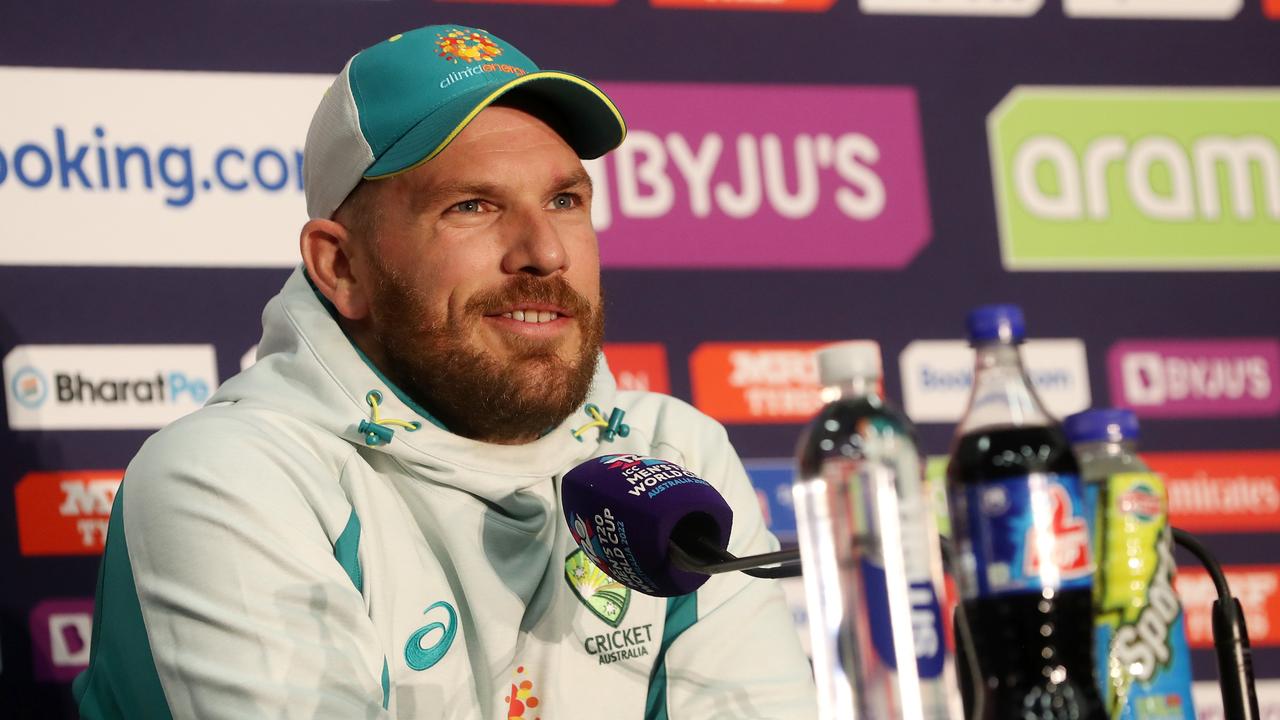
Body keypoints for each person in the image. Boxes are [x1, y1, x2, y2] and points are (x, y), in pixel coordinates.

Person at [72, 24, 817, 720]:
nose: (544, 252)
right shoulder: (231, 477)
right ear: (341, 266)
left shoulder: (671, 458)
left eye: (564, 200)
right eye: (472, 206)